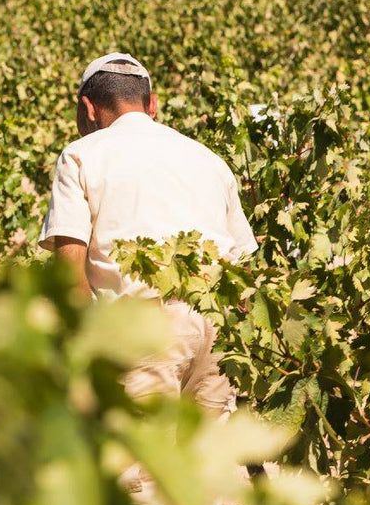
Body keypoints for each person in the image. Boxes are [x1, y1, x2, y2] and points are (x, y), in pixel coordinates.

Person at [39, 53, 258, 415]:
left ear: (88, 109)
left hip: (143, 332)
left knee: (138, 467)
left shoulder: (80, 156)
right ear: (152, 104)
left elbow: (69, 271)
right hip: (217, 328)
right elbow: (244, 264)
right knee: (204, 464)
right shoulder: (208, 159)